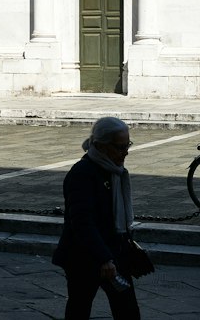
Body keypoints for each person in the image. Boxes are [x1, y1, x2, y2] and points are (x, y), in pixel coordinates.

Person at [53, 116, 143, 320]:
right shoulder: (82, 174)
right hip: (84, 256)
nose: (126, 152)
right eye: (120, 147)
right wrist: (104, 258)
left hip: (113, 252)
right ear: (102, 146)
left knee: (127, 310)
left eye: (127, 145)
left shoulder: (115, 171)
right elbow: (82, 222)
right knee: (80, 307)